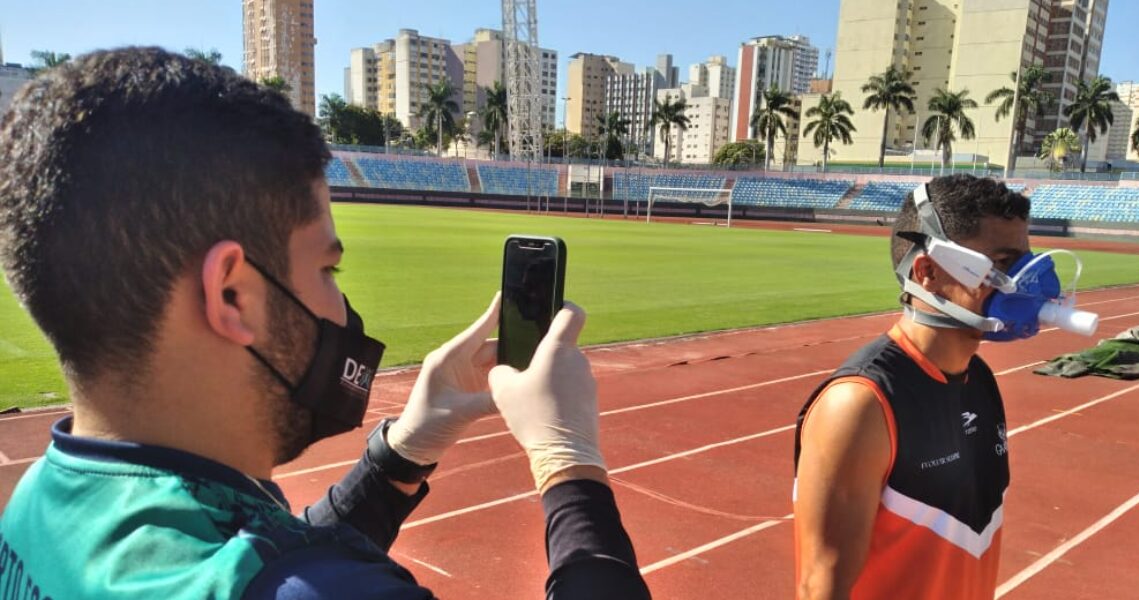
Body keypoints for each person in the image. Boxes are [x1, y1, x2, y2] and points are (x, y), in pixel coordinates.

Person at [0, 47, 650, 600]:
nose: (341, 311)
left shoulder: (39, 506)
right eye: (327, 272)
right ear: (232, 295)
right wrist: (569, 466)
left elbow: (269, 558)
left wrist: (404, 451)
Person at [793, 175, 1042, 599]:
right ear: (927, 271)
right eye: (1003, 263)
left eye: (1026, 262)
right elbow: (821, 586)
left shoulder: (979, 379)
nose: (1025, 282)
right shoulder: (861, 406)